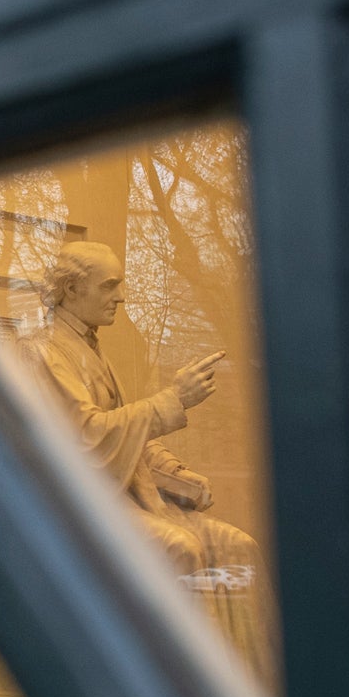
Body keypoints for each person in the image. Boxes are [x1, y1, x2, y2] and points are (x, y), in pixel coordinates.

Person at [25, 240, 260, 587]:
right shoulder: (43, 352)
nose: (121, 296)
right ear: (72, 289)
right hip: (77, 508)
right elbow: (91, 438)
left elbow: (131, 436)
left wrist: (177, 474)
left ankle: (240, 644)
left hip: (129, 501)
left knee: (239, 548)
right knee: (180, 549)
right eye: (109, 285)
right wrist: (173, 399)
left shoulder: (91, 351)